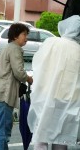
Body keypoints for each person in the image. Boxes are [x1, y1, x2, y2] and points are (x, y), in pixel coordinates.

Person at [27, 15, 80, 150]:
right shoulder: (78, 49)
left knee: (42, 134)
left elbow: (39, 64)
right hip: (69, 99)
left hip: (48, 94)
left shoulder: (52, 42)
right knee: (62, 136)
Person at [0, 23, 33, 150]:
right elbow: (19, 72)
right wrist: (28, 78)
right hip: (3, 95)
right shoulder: (15, 49)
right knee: (3, 131)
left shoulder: (7, 48)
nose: (26, 38)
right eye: (24, 34)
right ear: (15, 36)